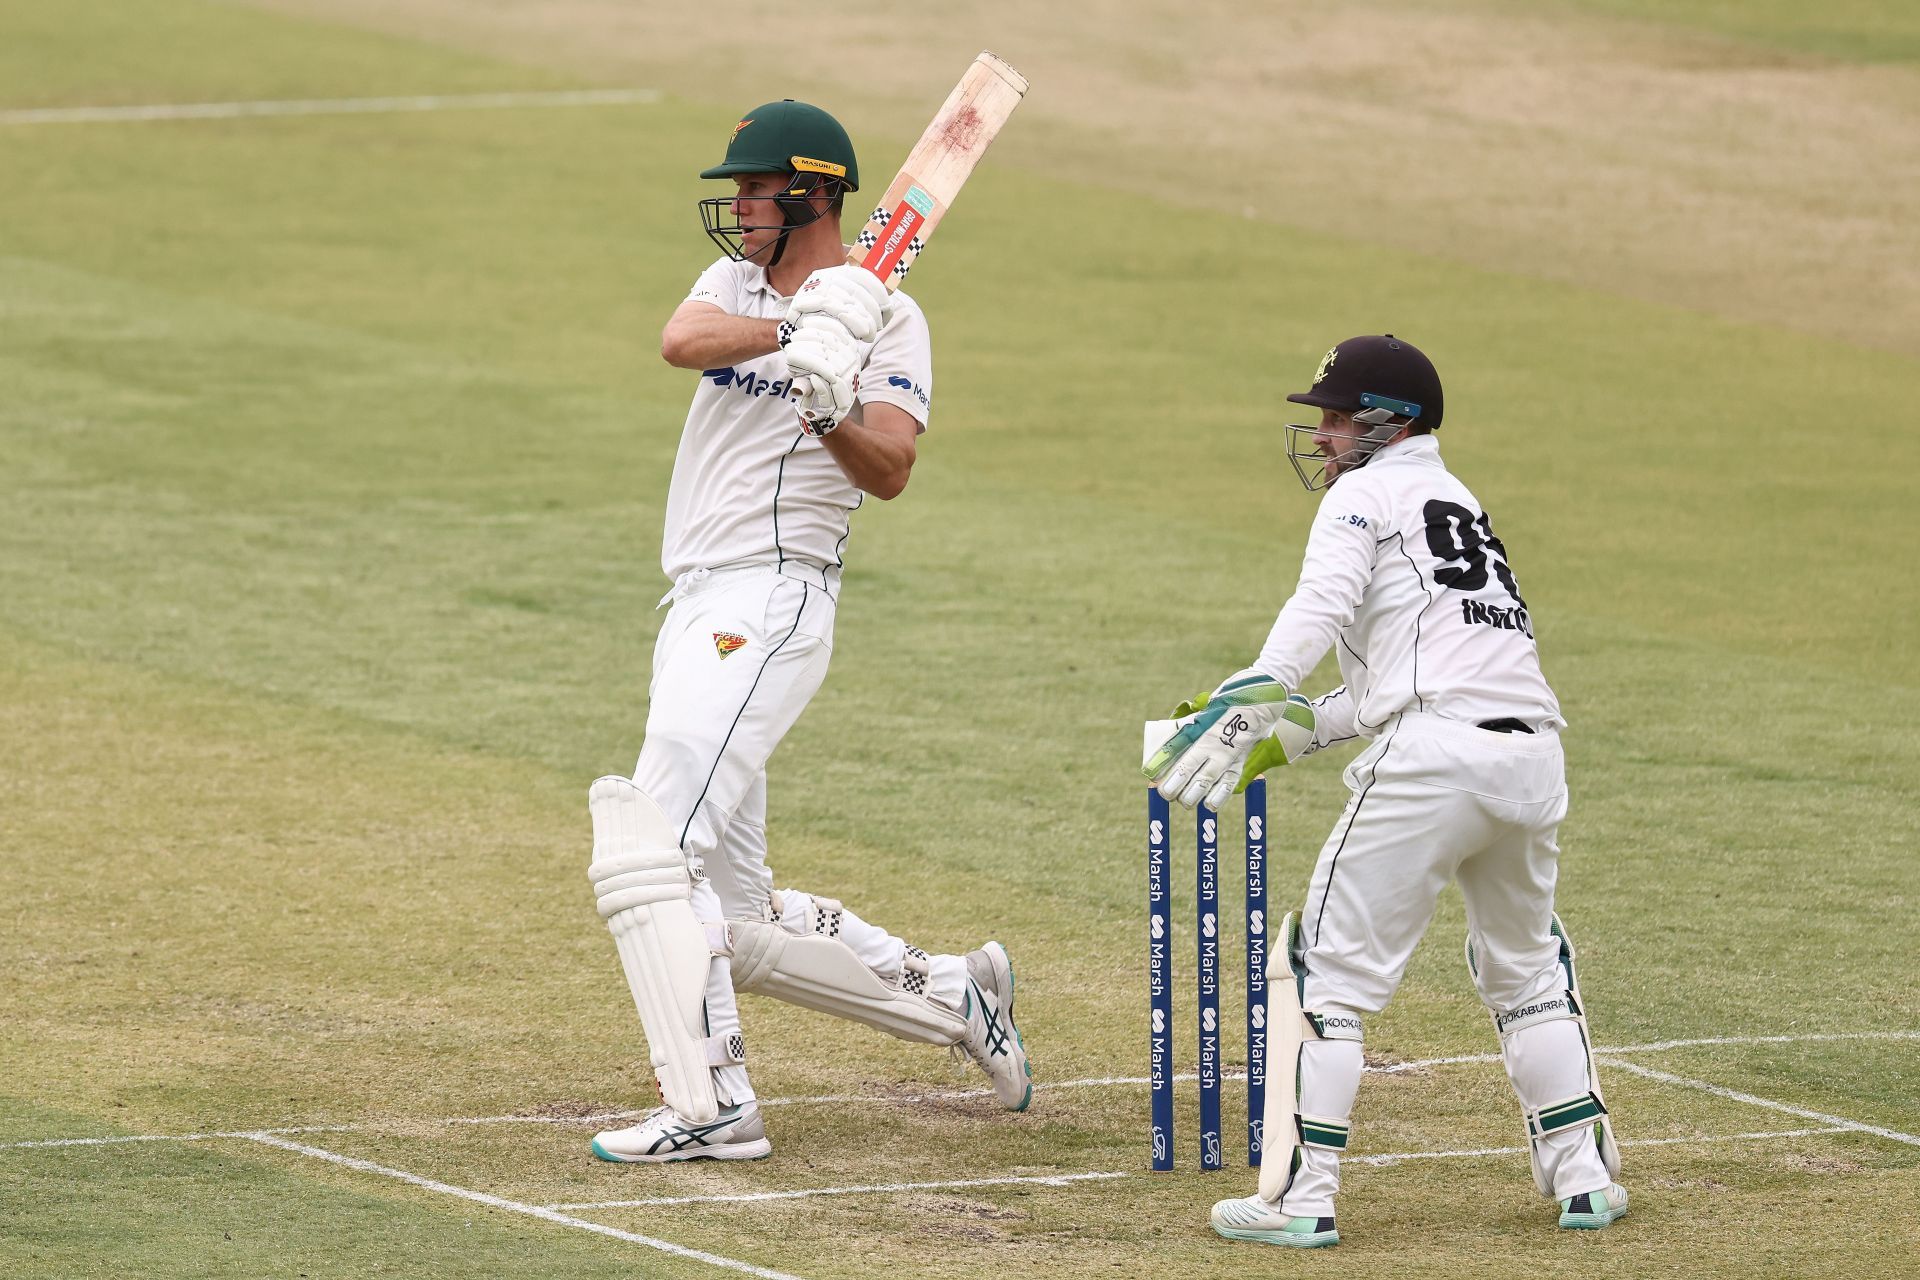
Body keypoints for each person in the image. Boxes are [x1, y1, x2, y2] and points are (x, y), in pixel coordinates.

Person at [583, 98, 1030, 1164]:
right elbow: (678, 340)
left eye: (751, 189)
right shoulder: (738, 286)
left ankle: (715, 1103)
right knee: (735, 919)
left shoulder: (893, 323)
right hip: (695, 598)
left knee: (655, 844)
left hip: (772, 598)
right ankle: (953, 994)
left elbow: (893, 472)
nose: (735, 207)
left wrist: (831, 401)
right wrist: (798, 331)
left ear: (812, 194)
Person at [1144, 335, 1625, 1245]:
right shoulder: (1456, 499)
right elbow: (1380, 689)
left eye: (1333, 417)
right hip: (1532, 762)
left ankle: (1301, 1199)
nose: (1320, 435)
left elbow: (1321, 607)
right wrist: (1275, 739)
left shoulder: (1366, 495)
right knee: (1522, 970)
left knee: (1326, 972)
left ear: (1385, 424)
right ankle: (1585, 1177)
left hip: (1434, 762)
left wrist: (1259, 684)